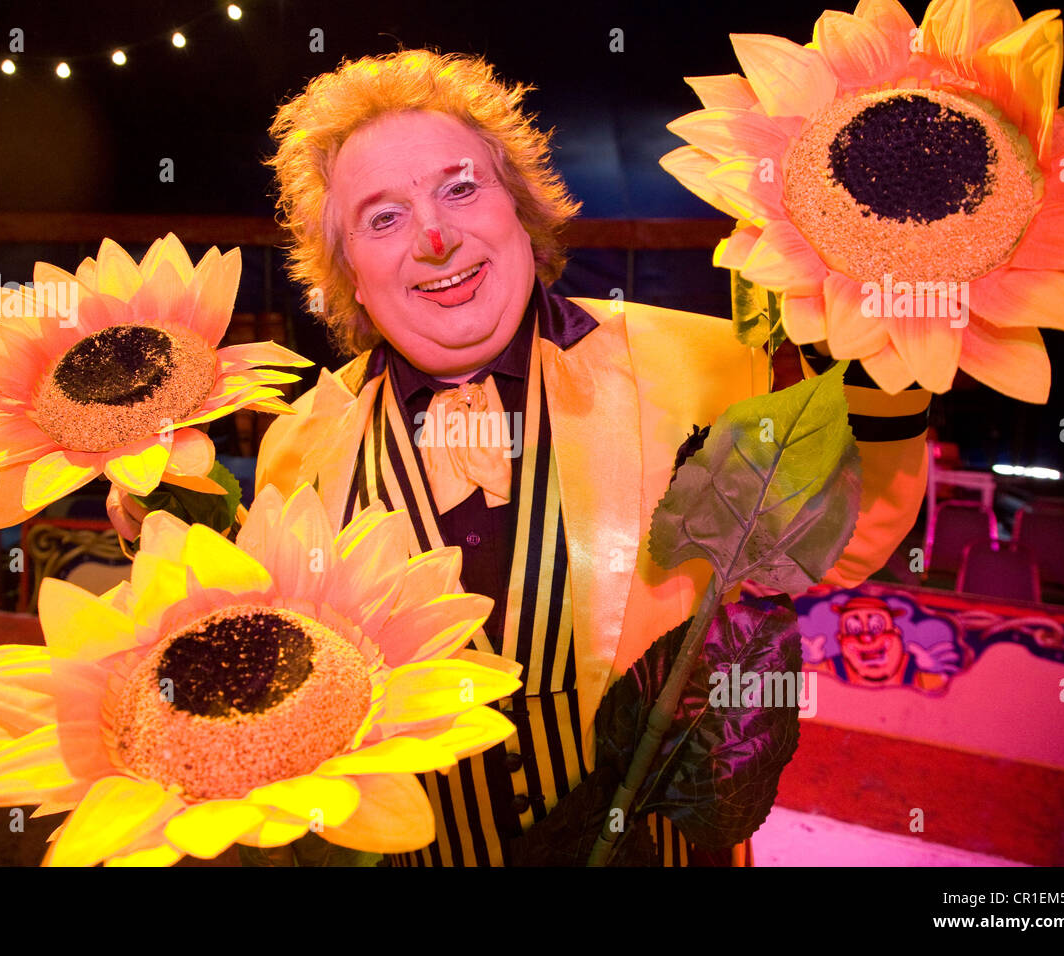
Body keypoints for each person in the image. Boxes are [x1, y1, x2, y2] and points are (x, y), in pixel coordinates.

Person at [112, 50, 932, 866]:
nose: (434, 236)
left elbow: (844, 539)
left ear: (521, 209)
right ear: (350, 276)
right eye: (383, 217)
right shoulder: (304, 441)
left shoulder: (702, 367)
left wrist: (893, 357)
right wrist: (162, 516)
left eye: (460, 189)